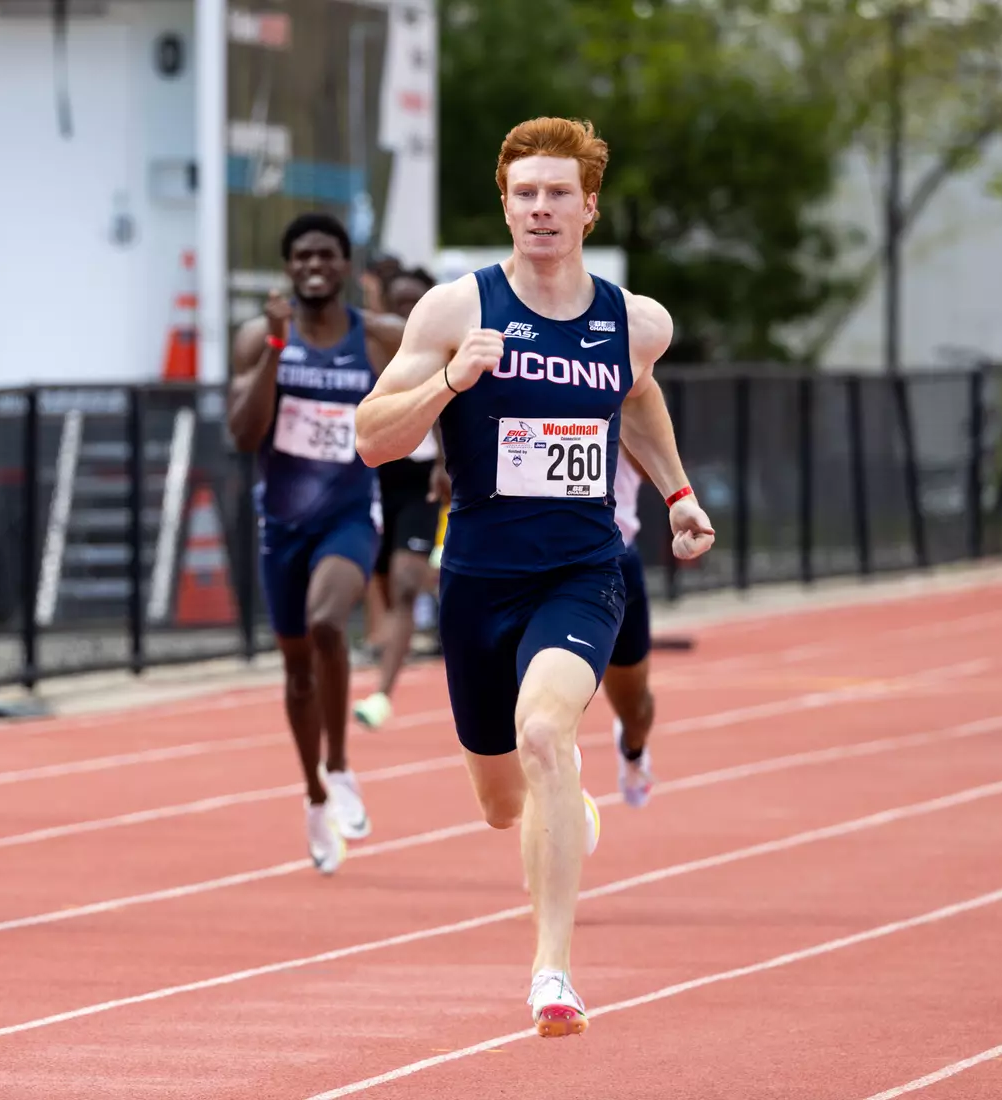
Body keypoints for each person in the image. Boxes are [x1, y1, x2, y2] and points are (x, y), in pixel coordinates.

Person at [354, 117, 714, 1037]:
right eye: (524, 194)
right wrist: (447, 387)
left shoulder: (634, 321)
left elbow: (637, 396)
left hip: (581, 567)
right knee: (499, 799)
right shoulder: (453, 312)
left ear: (588, 207)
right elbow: (369, 437)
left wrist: (675, 491)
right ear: (504, 205)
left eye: (558, 193)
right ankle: (566, 814)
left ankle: (552, 974)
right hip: (477, 576)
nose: (540, 209)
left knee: (547, 731)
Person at [226, 212, 405, 875]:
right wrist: (275, 350)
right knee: (296, 668)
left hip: (350, 515)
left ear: (345, 266)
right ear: (287, 267)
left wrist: (443, 462)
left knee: (328, 623)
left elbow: (435, 396)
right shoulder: (258, 338)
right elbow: (244, 434)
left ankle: (339, 765)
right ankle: (312, 794)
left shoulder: (379, 337)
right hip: (280, 525)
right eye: (301, 256)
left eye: (325, 255)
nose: (313, 266)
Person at [353, 267, 449, 732]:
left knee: (407, 583)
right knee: (389, 584)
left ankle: (382, 693)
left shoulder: (439, 347)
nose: (409, 311)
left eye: (417, 302)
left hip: (420, 480)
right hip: (375, 476)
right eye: (400, 303)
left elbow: (445, 409)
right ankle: (457, 589)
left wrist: (443, 462)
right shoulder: (376, 343)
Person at [607, 442, 657, 807]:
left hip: (617, 560)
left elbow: (651, 464)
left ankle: (633, 750)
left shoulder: (625, 392)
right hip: (545, 564)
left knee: (636, 709)